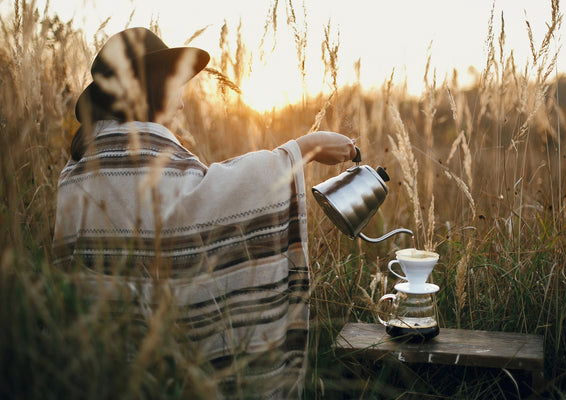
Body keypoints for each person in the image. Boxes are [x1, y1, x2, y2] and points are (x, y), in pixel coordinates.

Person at [52, 27, 356, 399]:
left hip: (92, 376)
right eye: (177, 86)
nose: (181, 103)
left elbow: (184, 205)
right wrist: (303, 148)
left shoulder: (76, 170)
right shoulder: (131, 165)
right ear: (151, 87)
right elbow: (206, 204)